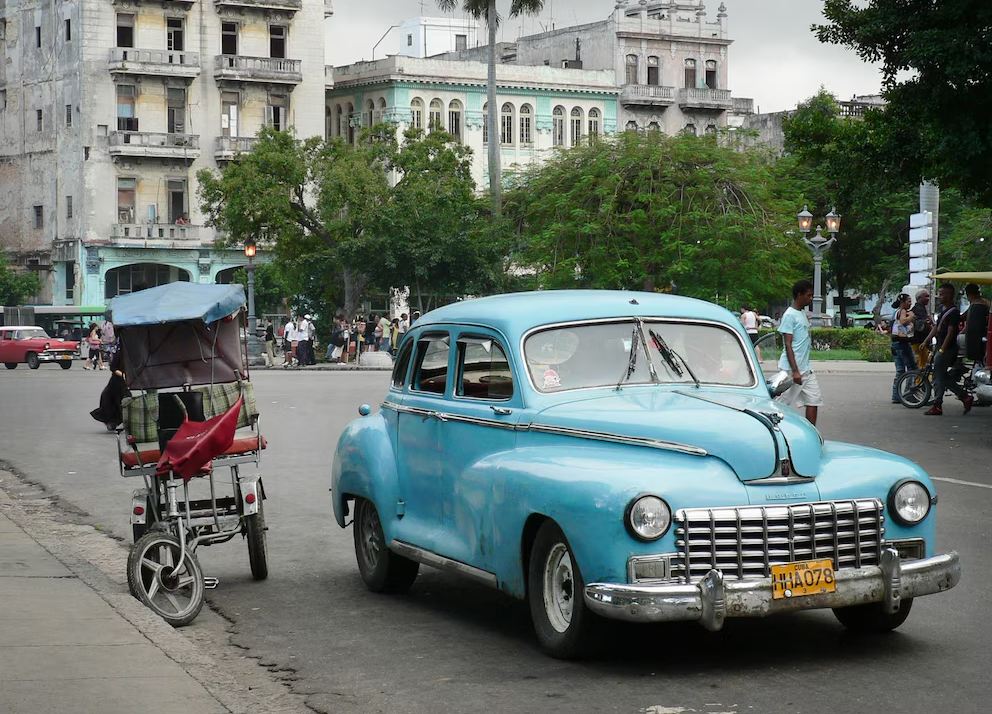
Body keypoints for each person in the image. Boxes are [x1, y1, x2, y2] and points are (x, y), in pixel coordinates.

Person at [775, 279, 822, 425]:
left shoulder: (801, 313)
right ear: (799, 295)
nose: (811, 298)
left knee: (814, 400)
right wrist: (795, 371)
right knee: (780, 404)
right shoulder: (789, 315)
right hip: (791, 369)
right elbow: (788, 344)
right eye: (809, 295)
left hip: (806, 368)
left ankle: (812, 432)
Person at [922, 283, 973, 416]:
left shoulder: (953, 312)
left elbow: (951, 332)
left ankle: (937, 405)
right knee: (942, 376)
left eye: (941, 294)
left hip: (947, 349)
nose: (939, 297)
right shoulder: (942, 309)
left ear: (949, 296)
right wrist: (926, 340)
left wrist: (942, 349)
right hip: (940, 346)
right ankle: (964, 396)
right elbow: (936, 327)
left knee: (937, 376)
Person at [89, 348, 127, 431]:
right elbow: (113, 368)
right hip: (116, 382)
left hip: (126, 384)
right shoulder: (119, 354)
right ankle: (111, 421)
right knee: (111, 401)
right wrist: (123, 375)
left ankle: (120, 421)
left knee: (124, 402)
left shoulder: (133, 354)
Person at [889, 293, 915, 404]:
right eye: (908, 301)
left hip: (895, 343)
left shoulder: (895, 312)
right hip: (903, 343)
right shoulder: (903, 311)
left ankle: (896, 396)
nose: (910, 303)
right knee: (912, 368)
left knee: (900, 371)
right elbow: (904, 322)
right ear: (902, 302)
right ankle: (908, 394)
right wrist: (911, 316)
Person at [909, 289, 933, 370]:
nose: (928, 298)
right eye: (926, 296)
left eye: (928, 296)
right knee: (922, 365)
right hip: (919, 341)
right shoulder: (918, 309)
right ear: (919, 298)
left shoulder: (921, 309)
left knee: (923, 363)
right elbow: (924, 324)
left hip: (920, 341)